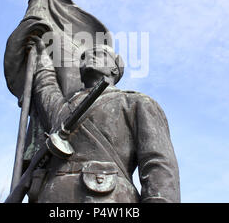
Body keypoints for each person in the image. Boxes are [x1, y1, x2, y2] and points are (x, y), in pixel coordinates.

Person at [26, 35, 180, 203]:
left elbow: (158, 163)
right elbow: (45, 86)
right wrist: (40, 52)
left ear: (115, 69)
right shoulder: (64, 109)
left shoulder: (136, 103)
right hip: (53, 197)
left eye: (99, 54)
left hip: (109, 198)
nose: (88, 57)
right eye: (83, 57)